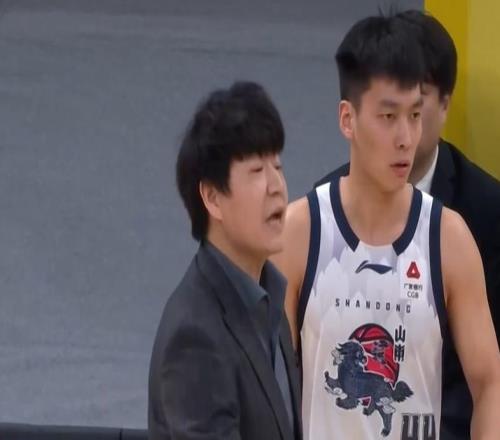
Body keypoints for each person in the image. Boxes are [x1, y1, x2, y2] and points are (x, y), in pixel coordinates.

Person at [272, 14, 500, 440]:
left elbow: (489, 384)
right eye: (388, 116)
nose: (406, 137)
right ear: (348, 119)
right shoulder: (298, 233)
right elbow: (264, 382)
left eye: (415, 115)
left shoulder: (449, 238)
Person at [148, 81, 302, 440]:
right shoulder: (195, 335)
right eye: (257, 171)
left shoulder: (271, 300)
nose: (277, 186)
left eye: (277, 165)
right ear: (213, 197)